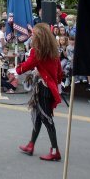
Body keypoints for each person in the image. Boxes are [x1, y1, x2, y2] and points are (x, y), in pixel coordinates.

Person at [16, 23, 64, 161]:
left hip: (44, 88)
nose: (32, 35)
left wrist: (16, 70)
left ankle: (55, 150)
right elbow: (59, 71)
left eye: (34, 34)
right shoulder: (53, 50)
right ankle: (31, 144)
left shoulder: (38, 51)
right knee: (38, 116)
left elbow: (27, 65)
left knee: (46, 118)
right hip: (48, 86)